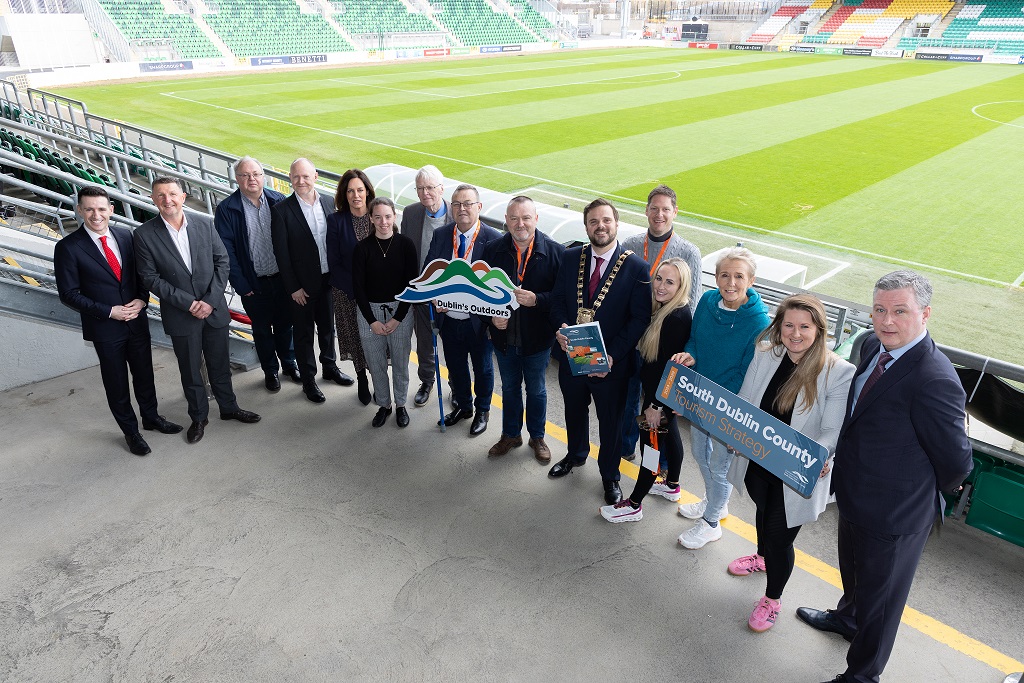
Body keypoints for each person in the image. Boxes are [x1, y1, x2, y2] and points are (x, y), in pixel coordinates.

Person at [796, 271, 973, 683]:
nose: (886, 321)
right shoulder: (872, 344)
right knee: (855, 577)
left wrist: (914, 492)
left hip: (896, 513)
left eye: (899, 311)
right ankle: (847, 619)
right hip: (856, 495)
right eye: (879, 309)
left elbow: (957, 462)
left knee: (883, 602)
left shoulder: (935, 378)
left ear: (925, 314)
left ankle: (863, 675)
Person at [724, 294, 855, 633]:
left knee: (779, 537)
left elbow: (831, 431)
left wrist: (822, 455)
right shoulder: (766, 353)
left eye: (804, 327)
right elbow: (745, 400)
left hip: (795, 473)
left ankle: (772, 598)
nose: (795, 334)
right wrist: (731, 429)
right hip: (758, 462)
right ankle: (761, 558)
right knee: (764, 512)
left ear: (819, 330)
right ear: (779, 327)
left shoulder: (838, 372)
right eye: (789, 326)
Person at [54, 186, 182, 456]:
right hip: (105, 327)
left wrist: (142, 299)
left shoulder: (127, 237)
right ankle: (131, 432)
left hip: (136, 321)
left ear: (111, 210)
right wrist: (108, 311)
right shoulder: (67, 247)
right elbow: (68, 294)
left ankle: (151, 418)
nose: (95, 215)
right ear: (79, 210)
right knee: (117, 382)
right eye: (88, 209)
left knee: (145, 374)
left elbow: (141, 276)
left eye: (101, 209)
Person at [134, 177, 260, 444]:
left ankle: (229, 408)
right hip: (181, 314)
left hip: (212, 310)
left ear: (183, 196)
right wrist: (189, 303)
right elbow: (150, 278)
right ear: (153, 199)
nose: (167, 200)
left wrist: (210, 300)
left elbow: (222, 262)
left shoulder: (205, 223)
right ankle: (199, 417)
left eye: (172, 194)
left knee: (220, 365)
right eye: (160, 195)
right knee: (191, 371)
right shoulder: (144, 234)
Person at [549, 198, 651, 504]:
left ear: (617, 224)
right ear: (586, 226)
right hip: (573, 358)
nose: (600, 226)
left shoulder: (636, 267)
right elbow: (555, 301)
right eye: (593, 222)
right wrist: (561, 328)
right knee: (573, 410)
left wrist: (612, 355)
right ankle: (575, 455)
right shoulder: (570, 257)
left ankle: (610, 475)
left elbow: (640, 319)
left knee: (611, 423)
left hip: (612, 364)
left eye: (606, 220)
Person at [673, 246, 770, 548]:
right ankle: (715, 502)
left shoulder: (759, 322)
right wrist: (690, 356)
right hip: (700, 394)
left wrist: (718, 400)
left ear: (751, 281)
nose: (731, 282)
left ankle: (712, 522)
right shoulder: (706, 301)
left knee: (720, 465)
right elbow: (694, 339)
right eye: (724, 275)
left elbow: (747, 372)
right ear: (715, 278)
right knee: (701, 455)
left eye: (738, 276)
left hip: (727, 403)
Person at [600, 257, 692, 522]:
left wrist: (655, 406)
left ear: (681, 285)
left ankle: (635, 504)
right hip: (660, 394)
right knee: (671, 437)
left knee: (650, 451)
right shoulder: (668, 309)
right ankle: (672, 484)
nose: (661, 286)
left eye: (670, 282)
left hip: (657, 397)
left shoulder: (675, 318)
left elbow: (668, 368)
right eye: (659, 279)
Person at [619, 184, 703, 462]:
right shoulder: (630, 245)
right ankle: (630, 450)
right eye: (654, 208)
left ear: (675, 212)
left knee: (657, 411)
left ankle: (658, 467)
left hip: (664, 343)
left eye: (665, 209)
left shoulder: (689, 251)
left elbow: (691, 301)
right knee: (633, 400)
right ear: (646, 211)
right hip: (634, 339)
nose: (659, 214)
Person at [482, 196, 564, 463]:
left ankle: (537, 436)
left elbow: (562, 299)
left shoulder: (555, 252)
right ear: (506, 220)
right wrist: (492, 319)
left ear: (536, 219)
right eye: (514, 218)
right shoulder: (493, 250)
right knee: (508, 388)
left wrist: (537, 299)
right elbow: (481, 295)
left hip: (537, 340)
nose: (520, 224)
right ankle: (510, 434)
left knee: (537, 389)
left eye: (526, 217)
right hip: (503, 338)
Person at [271, 158, 354, 404]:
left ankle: (329, 367)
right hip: (301, 287)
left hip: (329, 281)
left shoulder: (330, 203)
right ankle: (308, 380)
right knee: (304, 334)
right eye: (296, 177)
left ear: (315, 176)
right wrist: (293, 288)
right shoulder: (281, 211)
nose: (301, 181)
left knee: (328, 328)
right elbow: (281, 254)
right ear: (290, 179)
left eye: (305, 176)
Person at [214, 156, 298, 393]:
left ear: (263, 176)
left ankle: (289, 364)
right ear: (237, 179)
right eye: (246, 175)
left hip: (282, 280)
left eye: (256, 174)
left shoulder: (278, 200)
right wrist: (241, 284)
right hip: (253, 284)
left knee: (285, 326)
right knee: (261, 330)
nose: (252, 179)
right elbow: (226, 250)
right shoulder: (227, 209)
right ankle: (270, 371)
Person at [423, 184, 501, 436]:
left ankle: (482, 410)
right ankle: (465, 407)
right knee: (456, 367)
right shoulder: (442, 235)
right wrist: (434, 296)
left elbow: (499, 283)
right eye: (456, 204)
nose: (462, 208)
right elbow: (429, 272)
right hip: (449, 319)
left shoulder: (494, 239)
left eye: (468, 203)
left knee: (483, 369)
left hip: (479, 322)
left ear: (479, 207)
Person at [352, 197, 420, 428]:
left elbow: (411, 284)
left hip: (400, 310)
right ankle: (384, 404)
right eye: (378, 217)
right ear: (370, 218)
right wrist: (371, 321)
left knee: (401, 361)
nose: (383, 222)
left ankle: (400, 404)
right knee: (376, 362)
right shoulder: (362, 248)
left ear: (395, 217)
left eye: (388, 216)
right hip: (368, 312)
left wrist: (397, 318)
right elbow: (358, 288)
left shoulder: (406, 245)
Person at [400, 165, 449, 407]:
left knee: (453, 344)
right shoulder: (410, 213)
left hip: (452, 296)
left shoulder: (457, 213)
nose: (425, 193)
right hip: (422, 292)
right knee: (424, 343)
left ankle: (457, 386)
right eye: (420, 188)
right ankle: (427, 381)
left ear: (441, 188)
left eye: (430, 187)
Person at [326, 168, 375, 406]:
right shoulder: (336, 220)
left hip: (377, 293)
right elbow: (334, 262)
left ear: (367, 191)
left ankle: (379, 378)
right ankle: (362, 377)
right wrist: (356, 290)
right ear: (344, 195)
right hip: (347, 293)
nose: (356, 195)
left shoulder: (379, 215)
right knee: (356, 338)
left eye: (360, 190)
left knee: (377, 338)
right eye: (350, 191)